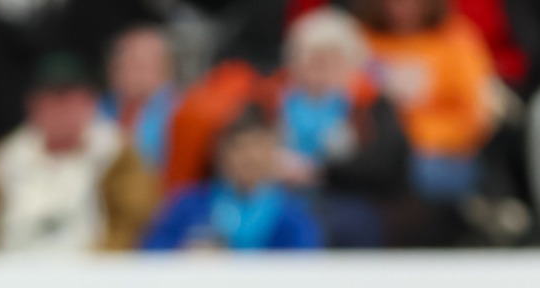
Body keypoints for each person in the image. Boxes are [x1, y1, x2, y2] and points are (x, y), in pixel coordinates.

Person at [0, 51, 157, 253]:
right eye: (51, 101)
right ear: (32, 106)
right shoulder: (2, 161)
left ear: (90, 103)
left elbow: (133, 224)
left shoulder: (115, 155)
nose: (60, 111)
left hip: (91, 277)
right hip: (10, 275)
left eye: (70, 100)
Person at [273, 7, 411, 247]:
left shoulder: (370, 104)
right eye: (313, 55)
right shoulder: (269, 100)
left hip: (345, 197)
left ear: (353, 62)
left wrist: (320, 171)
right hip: (274, 192)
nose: (322, 64)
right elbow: (239, 147)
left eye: (333, 56)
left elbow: (384, 163)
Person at [354, 0, 498, 201]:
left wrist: (420, 138)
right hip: (381, 152)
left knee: (414, 173)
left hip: (445, 156)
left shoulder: (457, 39)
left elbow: (478, 115)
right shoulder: (363, 40)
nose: (401, 7)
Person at [141, 104, 323, 252]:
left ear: (272, 151)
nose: (249, 157)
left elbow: (304, 268)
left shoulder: (293, 215)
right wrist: (184, 251)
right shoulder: (189, 205)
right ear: (219, 153)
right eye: (238, 147)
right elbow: (152, 251)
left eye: (258, 146)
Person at [101, 25, 177, 180]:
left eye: (140, 65)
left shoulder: (180, 112)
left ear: (166, 69)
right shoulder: (96, 109)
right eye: (123, 63)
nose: (131, 72)